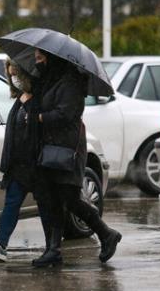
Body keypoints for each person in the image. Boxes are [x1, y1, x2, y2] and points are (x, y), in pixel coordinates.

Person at [32, 48, 122, 267]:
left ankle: (107, 234)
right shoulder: (50, 79)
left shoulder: (70, 82)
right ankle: (53, 250)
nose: (37, 61)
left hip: (68, 149)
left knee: (70, 198)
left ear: (52, 58)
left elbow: (65, 114)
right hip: (52, 147)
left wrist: (41, 117)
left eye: (40, 57)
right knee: (53, 200)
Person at [0, 59, 51, 262]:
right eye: (10, 75)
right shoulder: (20, 99)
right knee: (12, 203)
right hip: (19, 164)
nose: (13, 79)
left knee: (45, 206)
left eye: (16, 75)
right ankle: (1, 245)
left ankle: (53, 248)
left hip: (36, 163)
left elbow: (40, 127)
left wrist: (29, 104)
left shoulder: (37, 97)